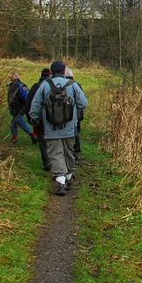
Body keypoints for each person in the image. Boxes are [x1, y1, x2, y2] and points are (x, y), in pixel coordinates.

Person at [28, 60, 88, 196]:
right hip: (69, 128)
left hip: (51, 128)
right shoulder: (72, 85)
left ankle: (61, 182)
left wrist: (34, 118)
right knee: (69, 152)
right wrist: (75, 114)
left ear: (51, 71)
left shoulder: (44, 85)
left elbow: (35, 106)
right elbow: (83, 103)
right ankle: (68, 176)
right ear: (63, 71)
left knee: (55, 154)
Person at [26, 68, 52, 171]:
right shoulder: (52, 87)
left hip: (39, 119)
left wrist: (31, 119)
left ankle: (47, 162)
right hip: (51, 118)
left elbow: (28, 104)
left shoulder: (35, 87)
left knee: (42, 140)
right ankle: (55, 161)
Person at [6, 73, 36, 145]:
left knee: (19, 121)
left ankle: (33, 136)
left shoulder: (13, 86)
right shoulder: (21, 85)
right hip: (22, 106)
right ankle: (15, 137)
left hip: (18, 107)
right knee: (14, 123)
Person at [65, 66, 84, 163]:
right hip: (76, 114)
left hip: (66, 115)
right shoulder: (77, 85)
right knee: (76, 133)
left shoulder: (62, 85)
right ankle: (75, 154)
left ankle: (70, 155)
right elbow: (82, 102)